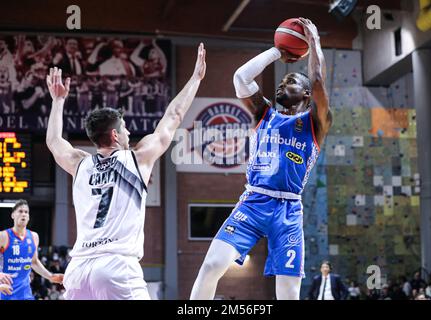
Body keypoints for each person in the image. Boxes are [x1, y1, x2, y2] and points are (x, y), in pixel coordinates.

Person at [45, 43, 206, 300]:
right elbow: (173, 115)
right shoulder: (137, 158)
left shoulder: (80, 164)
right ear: (115, 134)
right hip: (116, 267)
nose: (129, 132)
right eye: (125, 128)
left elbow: (54, 142)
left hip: (78, 270)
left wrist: (58, 102)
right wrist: (195, 79)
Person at [190, 18, 332, 300]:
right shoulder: (264, 114)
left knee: (289, 293)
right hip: (254, 202)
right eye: (280, 82)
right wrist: (277, 52)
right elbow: (240, 78)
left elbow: (317, 80)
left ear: (305, 95)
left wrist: (314, 42)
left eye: (289, 82)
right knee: (211, 265)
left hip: (289, 211)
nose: (281, 86)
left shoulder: (316, 123)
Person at [0, 199, 64, 300]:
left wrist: (50, 276)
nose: (24, 214)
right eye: (20, 211)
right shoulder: (3, 236)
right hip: (5, 292)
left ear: (29, 217)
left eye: (26, 212)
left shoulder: (34, 236)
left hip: (26, 294)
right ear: (13, 215)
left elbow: (33, 262)